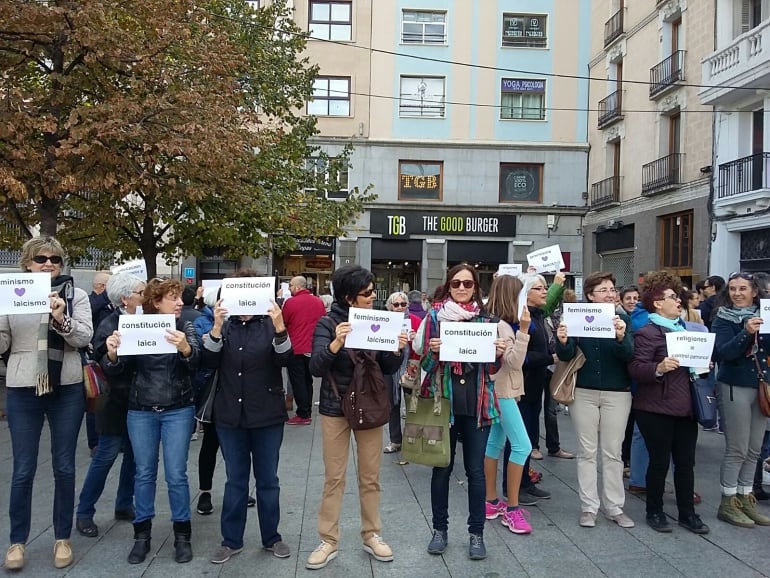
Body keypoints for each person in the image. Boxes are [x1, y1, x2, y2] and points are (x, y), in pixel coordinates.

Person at [1, 237, 93, 571]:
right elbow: (2, 343)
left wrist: (62, 318)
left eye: (55, 258)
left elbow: (84, 338)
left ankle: (62, 537)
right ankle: (17, 541)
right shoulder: (12, 293)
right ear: (27, 263)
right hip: (24, 386)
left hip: (65, 385)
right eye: (40, 258)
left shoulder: (76, 295)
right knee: (23, 468)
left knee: (64, 465)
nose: (48, 263)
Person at [306, 265, 406, 570]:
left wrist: (398, 349)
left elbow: (387, 366)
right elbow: (316, 367)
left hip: (370, 407)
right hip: (336, 408)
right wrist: (336, 344)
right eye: (367, 293)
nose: (373, 297)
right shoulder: (327, 323)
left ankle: (372, 534)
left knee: (370, 476)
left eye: (373, 291)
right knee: (334, 477)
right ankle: (328, 540)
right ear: (349, 297)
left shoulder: (376, 320)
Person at [102, 277, 201, 564]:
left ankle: (182, 535)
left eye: (180, 297)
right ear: (156, 303)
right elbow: (117, 369)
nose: (180, 302)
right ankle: (141, 535)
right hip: (141, 408)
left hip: (178, 408)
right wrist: (112, 353)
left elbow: (197, 361)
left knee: (176, 474)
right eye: (173, 298)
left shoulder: (184, 326)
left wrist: (186, 349)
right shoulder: (136, 324)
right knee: (143, 473)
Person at [413, 264, 507, 560]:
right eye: (457, 283)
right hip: (444, 403)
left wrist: (499, 355)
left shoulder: (488, 319)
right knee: (441, 468)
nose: (463, 288)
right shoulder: (434, 318)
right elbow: (425, 366)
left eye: (468, 284)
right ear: (449, 286)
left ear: (476, 287)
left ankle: (476, 534)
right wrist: (433, 352)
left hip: (478, 405)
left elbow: (491, 370)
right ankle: (439, 530)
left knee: (476, 472)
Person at [202, 273, 293, 564]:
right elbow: (207, 361)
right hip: (230, 415)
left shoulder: (269, 324)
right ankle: (231, 540)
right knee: (235, 481)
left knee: (268, 480)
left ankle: (272, 537)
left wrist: (280, 328)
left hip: (266, 414)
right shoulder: (225, 326)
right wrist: (216, 327)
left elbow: (285, 360)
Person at [629, 271, 708, 534]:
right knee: (659, 462)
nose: (679, 301)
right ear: (657, 303)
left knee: (686, 463)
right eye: (673, 297)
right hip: (655, 408)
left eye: (678, 297)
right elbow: (637, 368)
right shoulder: (647, 332)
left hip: (686, 408)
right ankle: (655, 510)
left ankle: (687, 513)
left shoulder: (689, 331)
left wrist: (704, 364)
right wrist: (659, 367)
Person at [555, 272, 634, 528]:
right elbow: (566, 354)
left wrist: (622, 337)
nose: (611, 294)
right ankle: (589, 507)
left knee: (613, 452)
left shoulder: (622, 319)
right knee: (586, 451)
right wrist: (563, 341)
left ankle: (614, 506)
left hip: (617, 392)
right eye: (604, 290)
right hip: (585, 391)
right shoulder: (577, 317)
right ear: (590, 295)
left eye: (612, 289)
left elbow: (629, 355)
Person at [76, 274, 145, 539]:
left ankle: (124, 503)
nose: (145, 296)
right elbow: (104, 360)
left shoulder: (145, 320)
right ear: (125, 298)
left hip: (139, 399)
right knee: (106, 454)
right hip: (115, 400)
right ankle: (84, 512)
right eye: (141, 292)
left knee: (134, 455)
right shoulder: (110, 324)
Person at [712, 272, 770, 528]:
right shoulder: (723, 319)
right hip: (734, 385)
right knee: (737, 448)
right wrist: (746, 332)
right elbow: (724, 353)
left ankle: (746, 497)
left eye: (743, 289)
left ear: (754, 291)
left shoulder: (766, 315)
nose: (737, 293)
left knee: (754, 448)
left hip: (761, 387)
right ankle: (728, 501)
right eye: (733, 289)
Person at [483, 274, 533, 535]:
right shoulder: (503, 326)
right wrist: (523, 331)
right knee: (522, 445)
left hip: (500, 391)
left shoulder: (496, 322)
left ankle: (491, 501)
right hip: (503, 392)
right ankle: (512, 509)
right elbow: (513, 362)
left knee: (494, 443)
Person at [283, 276, 326, 426]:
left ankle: (303, 413)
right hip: (313, 347)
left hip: (296, 347)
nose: (289, 288)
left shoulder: (290, 303)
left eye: (290, 285)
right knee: (308, 380)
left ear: (297, 287)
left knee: (298, 381)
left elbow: (284, 323)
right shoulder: (318, 302)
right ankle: (306, 409)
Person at [383, 291, 420, 454]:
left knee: (413, 404)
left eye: (403, 304)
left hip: (410, 366)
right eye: (396, 304)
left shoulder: (416, 321)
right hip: (390, 368)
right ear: (390, 306)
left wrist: (415, 338)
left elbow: (422, 347)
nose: (399, 307)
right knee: (392, 404)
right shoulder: (385, 322)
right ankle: (395, 440)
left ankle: (412, 440)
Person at [86, 270, 114, 456]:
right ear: (102, 288)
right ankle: (94, 442)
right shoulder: (91, 301)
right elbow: (92, 311)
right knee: (95, 399)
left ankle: (108, 436)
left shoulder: (109, 305)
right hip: (95, 358)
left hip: (109, 357)